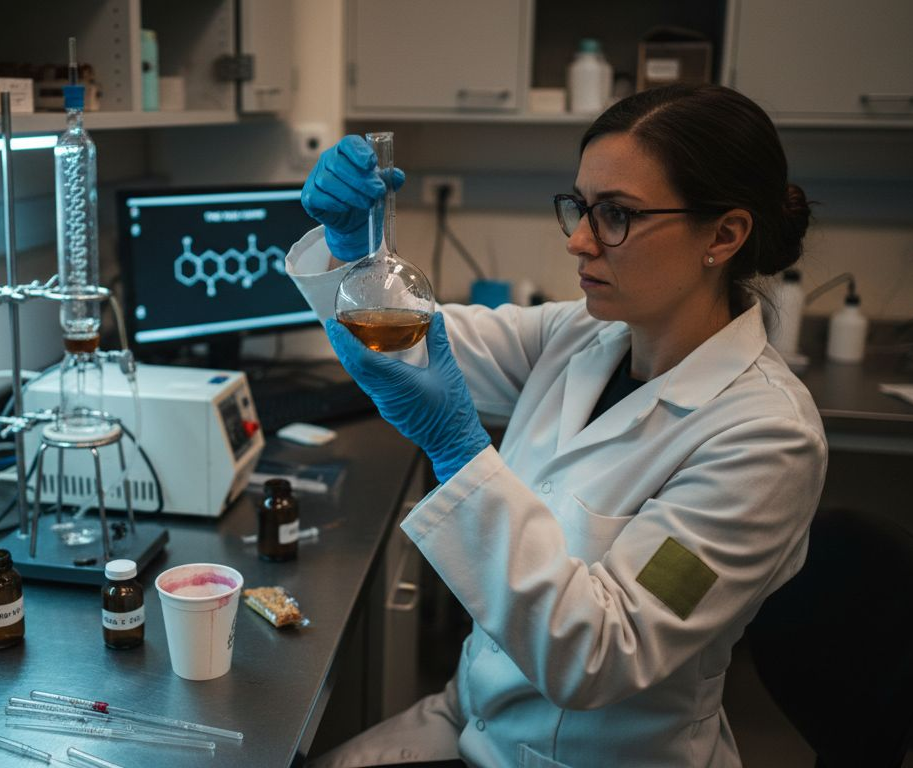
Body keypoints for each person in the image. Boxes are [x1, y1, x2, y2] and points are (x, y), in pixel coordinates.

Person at [286, 84, 826, 768]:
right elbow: (410, 340)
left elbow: (600, 653)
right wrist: (354, 250)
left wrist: (458, 450)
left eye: (617, 215)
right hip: (476, 717)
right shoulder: (583, 337)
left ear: (723, 234)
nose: (578, 240)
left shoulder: (766, 443)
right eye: (579, 206)